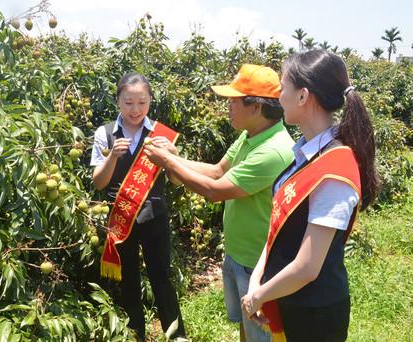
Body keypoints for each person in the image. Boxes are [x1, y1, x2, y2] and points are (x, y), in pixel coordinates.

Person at [144, 64, 295, 342]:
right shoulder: (250, 135)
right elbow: (216, 170)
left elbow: (215, 190)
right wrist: (174, 159)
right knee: (246, 328)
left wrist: (167, 162)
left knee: (262, 333)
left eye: (233, 101)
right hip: (238, 252)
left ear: (256, 107)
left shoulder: (273, 150)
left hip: (257, 262)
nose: (228, 107)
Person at [241, 50, 379, 341]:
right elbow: (278, 227)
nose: (278, 96)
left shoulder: (335, 167)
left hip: (315, 312)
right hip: (287, 296)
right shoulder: (305, 153)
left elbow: (307, 267)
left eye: (283, 87)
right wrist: (257, 279)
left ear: (303, 96)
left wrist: (257, 296)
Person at [90, 72, 186, 341]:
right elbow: (99, 183)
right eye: (128, 102)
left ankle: (176, 335)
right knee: (127, 279)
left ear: (150, 101)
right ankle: (134, 335)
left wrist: (173, 158)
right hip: (120, 217)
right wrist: (112, 158)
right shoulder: (105, 133)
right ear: (118, 101)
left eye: (142, 102)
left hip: (155, 215)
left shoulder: (161, 134)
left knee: (162, 277)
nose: (135, 110)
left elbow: (176, 181)